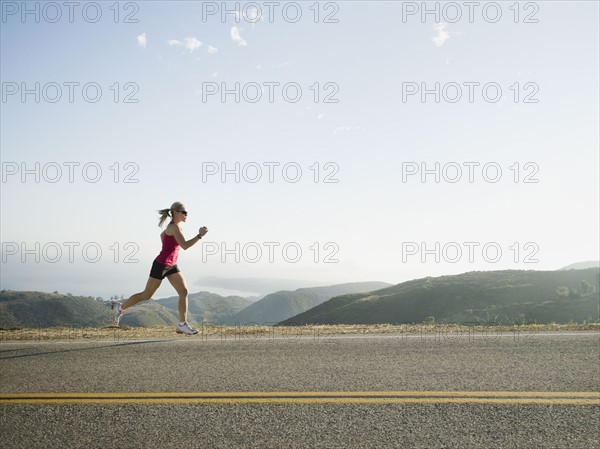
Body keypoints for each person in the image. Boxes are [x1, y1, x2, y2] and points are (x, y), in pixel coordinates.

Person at [111, 202, 208, 335]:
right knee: (146, 295)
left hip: (171, 265)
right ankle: (119, 307)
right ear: (175, 212)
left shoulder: (175, 227)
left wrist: (168, 248)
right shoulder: (174, 227)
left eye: (187, 212)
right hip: (161, 265)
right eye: (184, 212)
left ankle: (182, 324)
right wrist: (200, 235)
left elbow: (162, 235)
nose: (187, 215)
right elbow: (184, 245)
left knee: (184, 291)